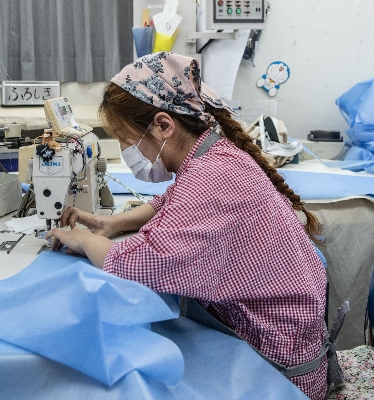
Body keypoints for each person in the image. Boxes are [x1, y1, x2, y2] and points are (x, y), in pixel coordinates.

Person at [46, 52, 329, 399]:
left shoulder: (211, 177)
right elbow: (173, 199)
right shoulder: (215, 156)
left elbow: (142, 263)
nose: (124, 149)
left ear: (164, 125)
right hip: (290, 342)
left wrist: (84, 241)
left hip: (278, 372)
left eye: (124, 137)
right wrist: (112, 223)